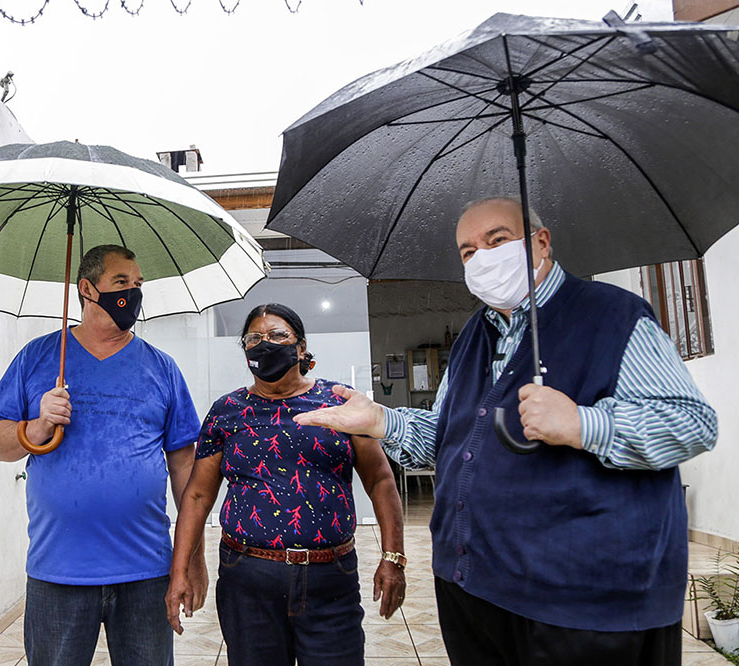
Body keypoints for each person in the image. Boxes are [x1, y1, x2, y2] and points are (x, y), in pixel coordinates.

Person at [294, 197, 718, 666]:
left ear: (541, 242)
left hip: (583, 601)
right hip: (476, 590)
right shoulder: (474, 336)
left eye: (497, 241)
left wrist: (583, 424)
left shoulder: (613, 317)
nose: (483, 258)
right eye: (468, 251)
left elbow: (691, 422)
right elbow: (449, 438)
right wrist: (381, 421)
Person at [0, 244, 208, 666]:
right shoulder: (38, 358)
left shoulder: (162, 368)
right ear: (87, 289)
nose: (133, 293)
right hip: (58, 572)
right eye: (121, 282)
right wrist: (37, 426)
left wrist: (193, 557)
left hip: (145, 570)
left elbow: (185, 469)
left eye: (138, 283)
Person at [165, 303, 406, 666]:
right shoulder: (227, 411)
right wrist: (180, 570)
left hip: (330, 578)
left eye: (278, 335)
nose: (265, 344)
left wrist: (393, 557)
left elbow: (380, 480)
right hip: (248, 579)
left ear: (301, 347)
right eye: (253, 338)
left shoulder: (339, 403)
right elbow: (198, 495)